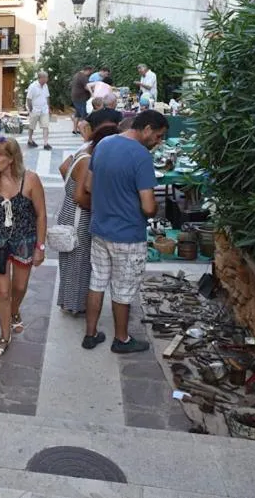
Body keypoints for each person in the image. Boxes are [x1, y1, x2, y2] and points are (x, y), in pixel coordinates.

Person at [81, 110, 168, 353]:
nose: (158, 142)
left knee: (96, 282)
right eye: (158, 136)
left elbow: (88, 185)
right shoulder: (141, 156)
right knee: (123, 288)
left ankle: (90, 334)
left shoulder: (104, 144)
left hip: (100, 229)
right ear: (147, 129)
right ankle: (122, 339)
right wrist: (156, 207)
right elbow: (149, 206)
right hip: (128, 234)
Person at [0, 137, 47, 356]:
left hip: (24, 241)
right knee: (3, 290)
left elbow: (41, 214)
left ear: (10, 159)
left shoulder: (31, 181)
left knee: (19, 287)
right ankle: (4, 335)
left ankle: (15, 311)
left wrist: (40, 247)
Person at [56, 124, 119, 315]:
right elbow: (80, 196)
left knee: (69, 262)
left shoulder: (82, 151)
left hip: (69, 211)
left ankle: (68, 302)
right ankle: (76, 305)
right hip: (78, 216)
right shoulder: (88, 160)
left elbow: (63, 166)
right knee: (79, 262)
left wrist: (70, 183)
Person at [25, 71, 51, 150]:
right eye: (46, 78)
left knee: (45, 126)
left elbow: (47, 97)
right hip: (35, 109)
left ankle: (46, 143)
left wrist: (48, 107)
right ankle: (30, 139)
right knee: (32, 126)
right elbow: (28, 99)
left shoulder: (45, 86)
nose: (47, 79)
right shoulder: (33, 86)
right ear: (41, 78)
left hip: (44, 109)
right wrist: (31, 110)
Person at [70, 67, 92, 135]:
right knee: (84, 115)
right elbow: (86, 86)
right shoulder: (83, 76)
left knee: (77, 114)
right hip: (81, 98)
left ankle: (75, 129)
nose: (90, 74)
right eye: (90, 72)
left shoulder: (77, 74)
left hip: (75, 97)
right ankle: (84, 130)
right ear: (87, 70)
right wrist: (92, 92)